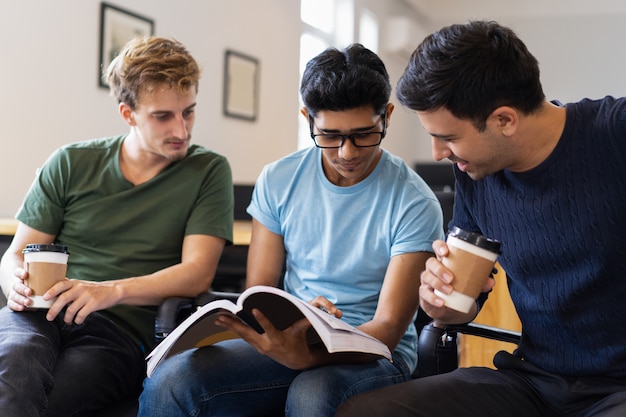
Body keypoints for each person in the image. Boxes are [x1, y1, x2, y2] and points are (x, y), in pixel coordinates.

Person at [335, 20, 626, 417]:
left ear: (505, 120)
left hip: (617, 387)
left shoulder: (614, 133)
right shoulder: (475, 173)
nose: (438, 154)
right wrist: (442, 303)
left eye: (449, 138)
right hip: (534, 381)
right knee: (366, 412)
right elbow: (464, 302)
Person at [138, 43, 444, 417]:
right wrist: (298, 320)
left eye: (364, 134)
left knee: (314, 393)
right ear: (308, 119)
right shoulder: (280, 179)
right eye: (330, 135)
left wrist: (315, 349)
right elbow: (259, 291)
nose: (347, 152)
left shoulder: (414, 200)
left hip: (376, 353)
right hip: (291, 338)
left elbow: (389, 329)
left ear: (387, 117)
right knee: (174, 379)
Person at [0, 36, 233, 417]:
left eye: (188, 112)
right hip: (40, 312)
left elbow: (197, 274)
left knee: (55, 396)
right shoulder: (71, 162)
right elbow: (15, 255)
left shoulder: (208, 170)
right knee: (15, 361)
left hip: (117, 332)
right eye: (163, 116)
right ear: (128, 113)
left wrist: (110, 291)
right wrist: (16, 286)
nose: (182, 130)